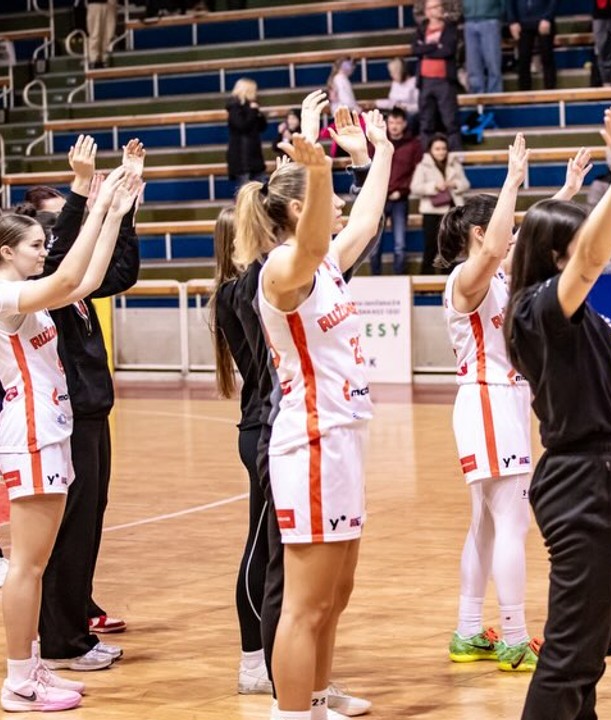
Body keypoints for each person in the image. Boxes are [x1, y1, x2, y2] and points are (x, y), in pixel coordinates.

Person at [237, 109, 392, 720]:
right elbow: (313, 240)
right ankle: (292, 713)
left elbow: (370, 217)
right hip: (311, 441)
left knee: (336, 593)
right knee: (304, 604)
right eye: (323, 200)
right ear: (302, 211)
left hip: (344, 439)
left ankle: (320, 697)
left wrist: (378, 152)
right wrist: (322, 171)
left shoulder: (323, 262)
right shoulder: (283, 269)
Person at [504, 106, 611, 720]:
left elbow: (584, 256)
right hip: (580, 479)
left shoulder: (561, 310)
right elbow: (590, 257)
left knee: (590, 645)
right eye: (582, 241)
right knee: (568, 652)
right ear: (559, 254)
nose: (599, 250)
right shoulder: (539, 311)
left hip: (599, 474)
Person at [0, 154, 139, 713]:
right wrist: (97, 203)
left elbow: (81, 278)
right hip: (29, 437)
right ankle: (18, 678)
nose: (44, 250)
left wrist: (113, 214)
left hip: (49, 435)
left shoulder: (28, 293)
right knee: (28, 566)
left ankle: (31, 666)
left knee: (32, 565)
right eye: (35, 244)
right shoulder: (6, 297)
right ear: (6, 251)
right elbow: (65, 275)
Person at [38, 139, 145, 675]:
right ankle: (59, 638)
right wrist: (86, 193)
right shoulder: (40, 284)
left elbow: (121, 272)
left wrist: (122, 212)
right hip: (65, 417)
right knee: (70, 527)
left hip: (92, 413)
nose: (59, 236)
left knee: (88, 523)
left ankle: (75, 618)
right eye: (52, 229)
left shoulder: (74, 284)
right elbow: (61, 256)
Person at [436, 134, 540, 674]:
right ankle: (516, 637)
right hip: (489, 400)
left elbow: (522, 245)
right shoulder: (465, 277)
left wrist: (564, 189)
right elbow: (501, 245)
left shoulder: (496, 272)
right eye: (503, 220)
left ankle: (470, 629)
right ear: (481, 232)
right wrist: (511, 179)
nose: (510, 230)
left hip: (498, 403)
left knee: (486, 523)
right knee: (510, 523)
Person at [210, 207, 271, 695]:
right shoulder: (241, 291)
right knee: (260, 545)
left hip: (271, 427)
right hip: (262, 430)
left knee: (280, 551)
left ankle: (276, 653)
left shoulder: (255, 284)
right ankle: (253, 659)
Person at [372, 108, 423, 275]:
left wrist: (403, 190)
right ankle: (374, 281)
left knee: (399, 244)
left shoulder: (414, 145)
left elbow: (418, 171)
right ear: (387, 123)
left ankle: (399, 280)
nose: (394, 126)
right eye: (392, 122)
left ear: (405, 124)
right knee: (374, 244)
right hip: (378, 198)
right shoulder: (378, 142)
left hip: (400, 199)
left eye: (398, 123)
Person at [411, 134, 470, 274]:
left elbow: (466, 184)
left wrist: (455, 184)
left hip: (451, 211)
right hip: (431, 212)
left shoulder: (454, 164)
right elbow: (415, 187)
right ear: (430, 150)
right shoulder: (422, 166)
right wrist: (434, 186)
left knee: (450, 246)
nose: (441, 151)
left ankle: (448, 279)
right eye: (437, 149)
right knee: (431, 247)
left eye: (443, 148)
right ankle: (426, 282)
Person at [413, 0, 463, 151]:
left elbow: (448, 50)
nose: (436, 10)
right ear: (427, 11)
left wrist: (426, 49)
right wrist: (435, 46)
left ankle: (456, 155)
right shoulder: (421, 29)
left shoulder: (449, 28)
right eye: (432, 7)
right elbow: (415, 50)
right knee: (426, 122)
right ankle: (426, 157)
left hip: (444, 81)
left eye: (438, 7)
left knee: (450, 121)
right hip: (425, 81)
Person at [226, 78, 268, 191]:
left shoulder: (252, 107)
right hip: (242, 160)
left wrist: (258, 113)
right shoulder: (234, 108)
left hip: (254, 158)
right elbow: (242, 126)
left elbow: (262, 126)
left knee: (262, 189)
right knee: (246, 192)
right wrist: (253, 112)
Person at [507, 0, 556, 91]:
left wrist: (547, 18)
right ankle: (524, 97)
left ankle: (550, 93)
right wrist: (512, 21)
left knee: (547, 58)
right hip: (522, 22)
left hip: (543, 20)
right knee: (523, 60)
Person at [463, 0, 504, 94]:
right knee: (473, 63)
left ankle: (495, 97)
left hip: (490, 19)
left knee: (492, 61)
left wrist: (497, 13)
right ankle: (476, 97)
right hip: (469, 20)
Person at [375, 58, 420, 133]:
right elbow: (391, 102)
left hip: (409, 115)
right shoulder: (395, 83)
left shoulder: (414, 82)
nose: (391, 75)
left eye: (392, 72)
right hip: (395, 112)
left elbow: (419, 106)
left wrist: (405, 107)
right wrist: (376, 103)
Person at [85, 0, 117, 68]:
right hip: (95, 4)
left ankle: (105, 58)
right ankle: (93, 59)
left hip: (110, 4)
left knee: (109, 34)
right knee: (95, 33)